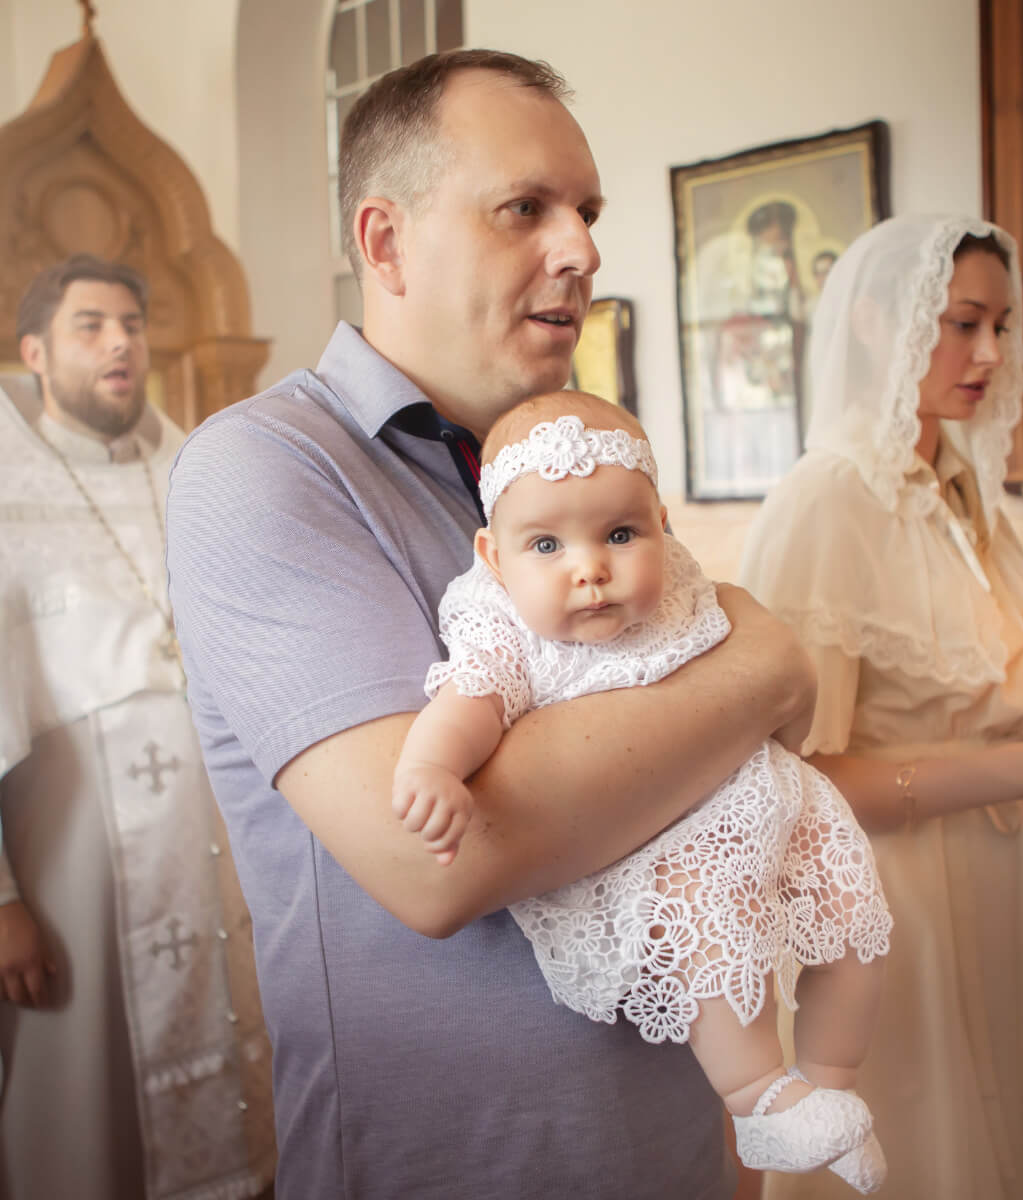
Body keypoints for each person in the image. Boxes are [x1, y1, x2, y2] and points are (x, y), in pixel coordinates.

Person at [164, 51, 818, 1199]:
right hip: (459, 1163)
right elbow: (440, 860)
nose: (582, 249)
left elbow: (733, 779)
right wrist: (765, 660)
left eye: (587, 212)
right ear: (385, 242)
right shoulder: (262, 468)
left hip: (672, 1143)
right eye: (526, 208)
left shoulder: (565, 464)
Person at [740, 213, 1023, 1200]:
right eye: (963, 323)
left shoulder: (966, 496)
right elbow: (789, 782)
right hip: (900, 909)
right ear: (879, 322)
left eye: (1004, 325)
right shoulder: (826, 504)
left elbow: (1009, 717)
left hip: (1011, 887)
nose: (990, 352)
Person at [394, 389, 892, 1190]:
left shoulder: (681, 584)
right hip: (655, 841)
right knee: (712, 942)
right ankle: (758, 1095)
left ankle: (831, 1081)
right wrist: (430, 770)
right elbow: (469, 703)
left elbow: (755, 663)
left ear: (663, 524)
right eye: (547, 544)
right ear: (494, 557)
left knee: (851, 916)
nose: (590, 568)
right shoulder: (501, 625)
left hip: (765, 797)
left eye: (621, 534)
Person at [0, 255, 274, 1200]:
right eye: (89, 326)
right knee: (88, 1108)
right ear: (33, 351)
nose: (120, 343)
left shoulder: (194, 465)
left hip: (225, 844)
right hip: (73, 864)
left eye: (132, 323)